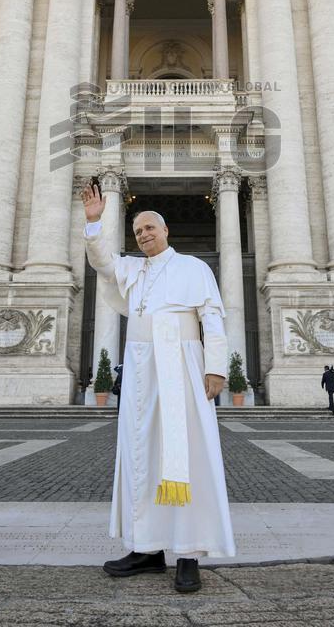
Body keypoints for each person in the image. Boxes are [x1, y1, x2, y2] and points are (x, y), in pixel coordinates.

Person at [81, 184, 235, 593]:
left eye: (149, 228)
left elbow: (213, 318)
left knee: (185, 454)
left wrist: (216, 368)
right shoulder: (132, 269)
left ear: (165, 231)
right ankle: (146, 548)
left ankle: (187, 554)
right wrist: (94, 222)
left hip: (182, 363)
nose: (144, 235)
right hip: (139, 367)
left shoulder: (194, 268)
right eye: (137, 232)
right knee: (139, 453)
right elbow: (100, 260)